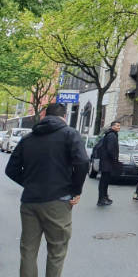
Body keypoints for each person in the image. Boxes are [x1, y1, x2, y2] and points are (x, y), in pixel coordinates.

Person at [5, 103, 88, 277]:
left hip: (29, 201)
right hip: (58, 201)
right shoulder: (69, 134)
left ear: (44, 116)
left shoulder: (28, 138)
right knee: (56, 251)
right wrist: (75, 190)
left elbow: (11, 170)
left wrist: (29, 183)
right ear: (63, 116)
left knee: (28, 250)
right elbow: (82, 162)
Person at [96, 120, 121, 206]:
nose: (119, 127)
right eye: (117, 126)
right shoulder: (111, 135)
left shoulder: (111, 134)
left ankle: (104, 197)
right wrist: (115, 159)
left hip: (106, 161)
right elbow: (111, 149)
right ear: (112, 126)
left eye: (119, 126)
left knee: (105, 181)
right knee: (104, 181)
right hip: (107, 162)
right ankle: (101, 199)